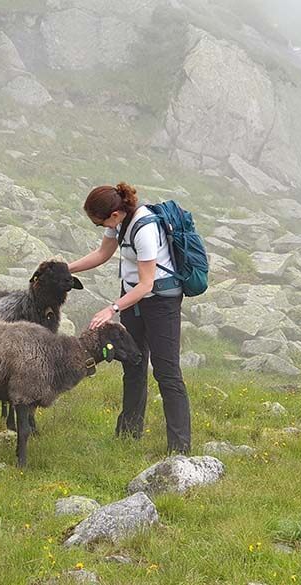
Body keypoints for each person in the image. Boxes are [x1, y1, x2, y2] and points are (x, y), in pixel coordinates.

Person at [67, 182, 191, 454]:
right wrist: (65, 268)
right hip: (133, 302)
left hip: (161, 303)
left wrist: (111, 309)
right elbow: (102, 254)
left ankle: (179, 450)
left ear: (114, 214)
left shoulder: (144, 229)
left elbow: (146, 285)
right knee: (133, 364)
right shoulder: (118, 222)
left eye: (99, 223)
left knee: (166, 372)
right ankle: (127, 436)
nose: (101, 228)